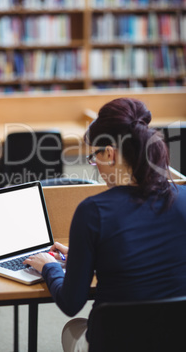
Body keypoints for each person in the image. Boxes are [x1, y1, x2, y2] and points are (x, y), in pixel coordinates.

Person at [24, 97, 186, 352]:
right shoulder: (183, 199)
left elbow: (70, 303)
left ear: (110, 153)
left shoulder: (93, 212)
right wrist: (89, 258)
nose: (95, 165)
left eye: (94, 156)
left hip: (115, 343)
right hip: (177, 341)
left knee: (72, 330)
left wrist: (50, 267)